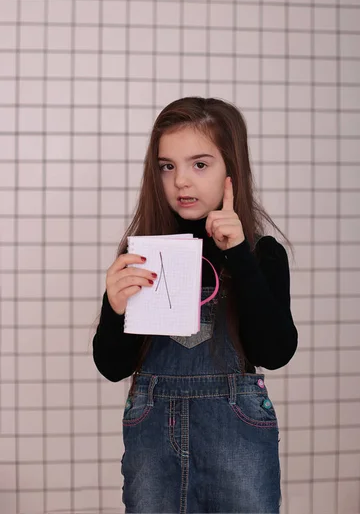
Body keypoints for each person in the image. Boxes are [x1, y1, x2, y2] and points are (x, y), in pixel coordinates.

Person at [92, 96, 298, 514]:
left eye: (199, 164)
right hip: (153, 436)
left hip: (234, 431)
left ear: (231, 170)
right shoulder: (144, 254)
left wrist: (239, 254)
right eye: (167, 166)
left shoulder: (261, 254)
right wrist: (114, 309)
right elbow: (112, 366)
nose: (181, 181)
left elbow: (275, 352)